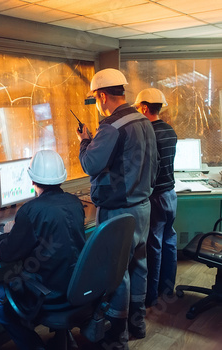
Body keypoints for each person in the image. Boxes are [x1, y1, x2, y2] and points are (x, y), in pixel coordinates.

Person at [77, 68, 159, 349]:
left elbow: (90, 164)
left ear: (101, 95)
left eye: (96, 98)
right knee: (139, 266)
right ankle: (138, 323)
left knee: (117, 273)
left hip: (119, 212)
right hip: (143, 207)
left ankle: (118, 335)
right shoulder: (143, 120)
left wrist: (85, 142)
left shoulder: (112, 126)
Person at [0, 150, 86, 350]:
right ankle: (62, 337)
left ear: (32, 180)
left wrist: (5, 234)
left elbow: (7, 253)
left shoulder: (30, 211)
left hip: (48, 295)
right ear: (62, 177)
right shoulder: (76, 203)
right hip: (76, 289)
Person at [133, 88, 178, 307]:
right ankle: (168, 289)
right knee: (169, 240)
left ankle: (150, 296)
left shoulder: (148, 134)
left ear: (144, 107)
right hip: (171, 194)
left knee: (154, 245)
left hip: (156, 197)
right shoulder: (170, 130)